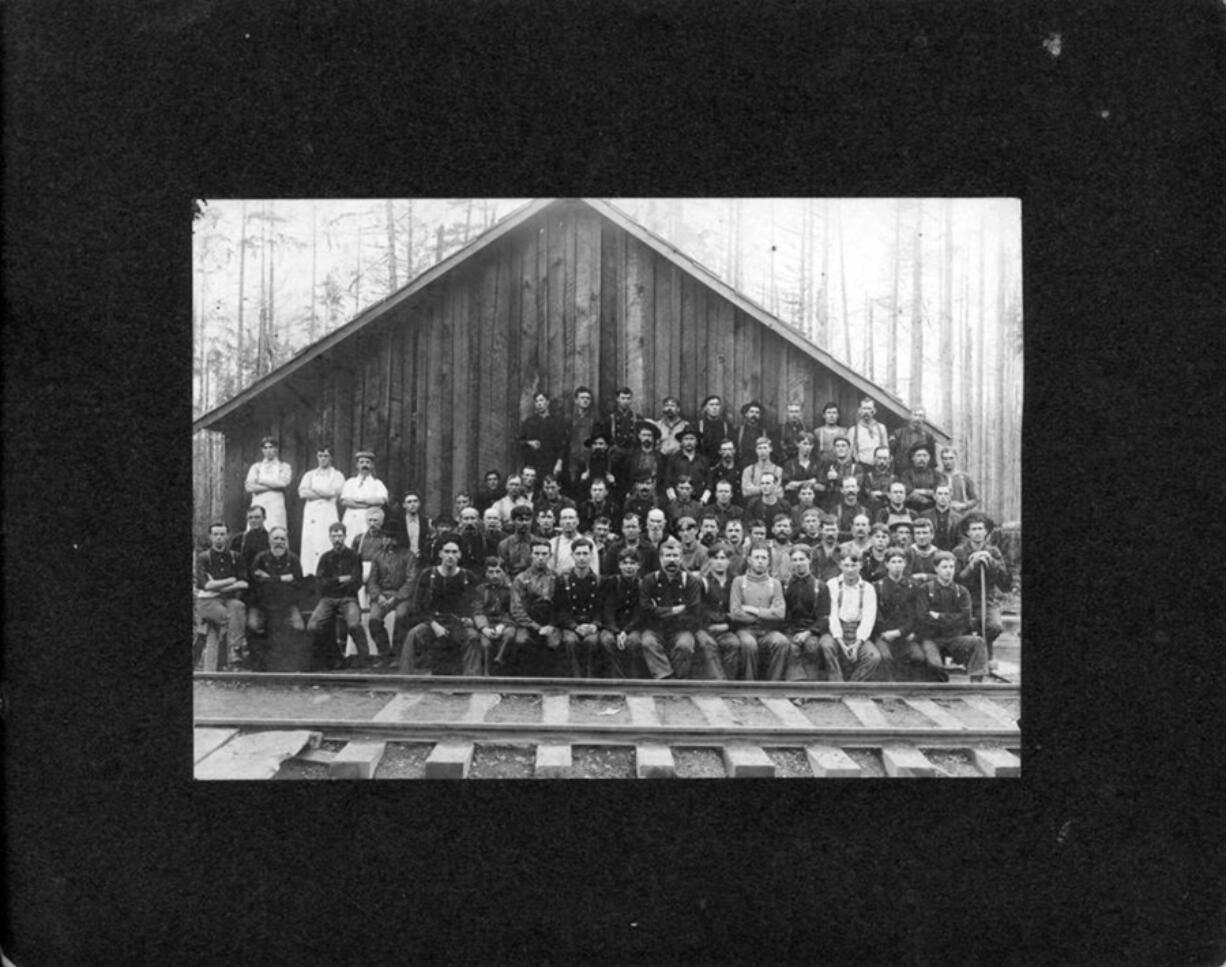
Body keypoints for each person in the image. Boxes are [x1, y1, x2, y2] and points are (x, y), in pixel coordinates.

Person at [403, 537, 484, 676]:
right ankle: (406, 679)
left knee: (473, 637)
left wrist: (471, 620)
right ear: (440, 554)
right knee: (413, 635)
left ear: (460, 554)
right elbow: (417, 606)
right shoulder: (427, 575)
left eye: (454, 552)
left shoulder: (468, 577)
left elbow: (476, 604)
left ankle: (471, 681)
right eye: (447, 551)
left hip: (459, 624)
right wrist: (434, 625)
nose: (450, 556)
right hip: (433, 622)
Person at [873, 546, 946, 682]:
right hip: (884, 635)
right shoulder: (878, 586)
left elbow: (916, 616)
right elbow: (876, 616)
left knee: (918, 657)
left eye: (900, 562)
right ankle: (889, 690)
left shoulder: (913, 587)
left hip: (904, 635)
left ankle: (910, 690)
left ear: (905, 564)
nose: (897, 566)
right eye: (893, 562)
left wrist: (901, 632)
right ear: (887, 564)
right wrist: (886, 633)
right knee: (885, 657)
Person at [914, 551, 989, 682]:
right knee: (934, 666)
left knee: (978, 642)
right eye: (944, 567)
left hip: (954, 638)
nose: (948, 571)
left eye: (951, 567)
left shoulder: (962, 592)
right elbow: (922, 618)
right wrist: (953, 618)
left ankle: (976, 684)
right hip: (932, 638)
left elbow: (965, 619)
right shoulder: (925, 589)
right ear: (936, 569)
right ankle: (942, 686)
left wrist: (938, 616)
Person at [307, 522, 370, 670]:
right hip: (328, 599)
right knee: (313, 626)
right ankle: (330, 657)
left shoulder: (354, 556)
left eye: (340, 535)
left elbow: (356, 582)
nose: (337, 539)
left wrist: (333, 582)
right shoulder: (325, 558)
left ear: (345, 536)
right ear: (329, 537)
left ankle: (364, 658)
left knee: (354, 624)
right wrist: (340, 579)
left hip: (348, 598)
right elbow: (320, 583)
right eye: (334, 536)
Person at [639, 538, 704, 679]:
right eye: (668, 556)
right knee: (648, 642)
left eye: (675, 556)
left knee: (684, 645)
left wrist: (659, 612)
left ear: (681, 559)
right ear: (661, 558)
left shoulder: (691, 581)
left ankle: (678, 682)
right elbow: (645, 610)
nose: (672, 560)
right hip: (655, 629)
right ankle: (666, 679)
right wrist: (673, 611)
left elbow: (694, 613)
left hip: (681, 629)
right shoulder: (650, 580)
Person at [953, 513, 1011, 659]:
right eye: (973, 529)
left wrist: (990, 561)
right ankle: (967, 656)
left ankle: (984, 650)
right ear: (967, 532)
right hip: (963, 602)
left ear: (986, 532)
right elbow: (956, 580)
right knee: (961, 627)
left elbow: (1004, 581)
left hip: (987, 601)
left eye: (980, 529)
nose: (977, 532)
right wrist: (971, 566)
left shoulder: (993, 551)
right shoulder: (958, 552)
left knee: (994, 627)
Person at [729, 542, 790, 680]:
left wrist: (753, 610)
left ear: (769, 561)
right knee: (749, 644)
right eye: (756, 557)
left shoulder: (775, 584)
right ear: (749, 560)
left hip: (767, 631)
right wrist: (766, 614)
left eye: (764, 558)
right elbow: (735, 613)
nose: (760, 561)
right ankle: (750, 687)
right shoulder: (739, 582)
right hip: (746, 630)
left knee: (781, 642)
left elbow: (780, 614)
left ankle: (772, 686)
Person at [247, 525, 305, 670]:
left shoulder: (293, 559)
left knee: (298, 627)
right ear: (269, 540)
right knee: (253, 626)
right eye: (275, 538)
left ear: (286, 541)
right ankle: (257, 664)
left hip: (286, 603)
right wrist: (284, 579)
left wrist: (271, 578)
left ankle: (291, 666)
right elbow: (255, 581)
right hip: (261, 603)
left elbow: (298, 582)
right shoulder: (260, 558)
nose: (279, 542)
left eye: (282, 539)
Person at [195, 522, 250, 669]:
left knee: (238, 607)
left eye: (222, 534)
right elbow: (204, 585)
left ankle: (235, 651)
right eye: (215, 534)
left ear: (227, 536)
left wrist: (217, 585)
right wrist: (231, 580)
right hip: (208, 601)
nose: (219, 538)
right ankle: (232, 656)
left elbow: (244, 583)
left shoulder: (235, 557)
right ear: (210, 536)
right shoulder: (203, 557)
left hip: (228, 599)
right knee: (230, 617)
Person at [821, 552, 883, 681]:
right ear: (840, 566)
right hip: (836, 631)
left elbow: (868, 619)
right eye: (846, 565)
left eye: (854, 565)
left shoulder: (868, 588)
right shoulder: (832, 584)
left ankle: (852, 686)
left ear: (861, 565)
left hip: (857, 632)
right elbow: (832, 616)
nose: (850, 570)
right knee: (826, 645)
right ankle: (837, 684)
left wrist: (857, 644)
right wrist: (841, 642)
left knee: (873, 656)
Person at [509, 538, 563, 676]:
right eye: (537, 553)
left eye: (544, 554)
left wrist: (551, 625)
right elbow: (516, 608)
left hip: (551, 624)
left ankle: (551, 685)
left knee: (555, 644)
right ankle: (525, 685)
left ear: (550, 556)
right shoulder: (521, 579)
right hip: (527, 623)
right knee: (522, 641)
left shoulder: (557, 578)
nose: (540, 558)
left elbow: (561, 606)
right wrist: (535, 627)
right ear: (531, 555)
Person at [554, 537, 606, 677]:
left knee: (592, 642)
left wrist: (595, 625)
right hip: (571, 624)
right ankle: (575, 682)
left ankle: (590, 683)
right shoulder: (563, 580)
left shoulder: (599, 581)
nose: (582, 558)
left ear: (591, 556)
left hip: (591, 625)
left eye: (585, 554)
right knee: (570, 641)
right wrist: (574, 626)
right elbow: (560, 609)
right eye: (578, 554)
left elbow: (601, 609)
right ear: (572, 556)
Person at [365, 525, 416, 666]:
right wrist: (378, 596)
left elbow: (411, 581)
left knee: (401, 616)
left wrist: (397, 597)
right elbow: (372, 580)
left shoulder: (408, 555)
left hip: (401, 595)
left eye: (392, 538)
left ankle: (397, 655)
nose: (388, 541)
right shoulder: (377, 556)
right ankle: (384, 653)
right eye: (386, 538)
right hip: (382, 594)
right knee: (374, 620)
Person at [782, 544, 833, 681]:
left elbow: (824, 618)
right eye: (795, 560)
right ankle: (796, 689)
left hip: (811, 631)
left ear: (809, 560)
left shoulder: (820, 587)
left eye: (802, 559)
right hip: (790, 630)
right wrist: (790, 632)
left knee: (812, 647)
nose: (798, 563)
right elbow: (783, 614)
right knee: (790, 648)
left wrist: (808, 633)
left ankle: (808, 689)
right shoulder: (785, 585)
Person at [695, 542, 743, 679]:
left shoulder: (735, 581)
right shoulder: (702, 582)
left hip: (726, 628)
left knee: (733, 644)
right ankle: (719, 685)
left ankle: (728, 685)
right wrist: (713, 623)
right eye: (716, 558)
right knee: (707, 644)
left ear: (729, 561)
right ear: (710, 560)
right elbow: (699, 609)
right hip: (705, 627)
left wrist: (727, 624)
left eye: (723, 558)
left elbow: (738, 608)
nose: (719, 562)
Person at [297, 446, 345, 577]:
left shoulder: (337, 475)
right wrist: (324, 492)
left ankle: (327, 573)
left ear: (331, 458)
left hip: (327, 512)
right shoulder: (310, 474)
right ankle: (309, 574)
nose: (322, 459)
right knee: (310, 542)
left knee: (325, 539)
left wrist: (314, 490)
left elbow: (334, 492)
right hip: (311, 514)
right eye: (320, 456)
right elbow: (302, 493)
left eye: (326, 456)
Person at [601, 548, 646, 678]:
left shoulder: (642, 585)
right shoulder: (612, 582)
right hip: (612, 627)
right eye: (625, 563)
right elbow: (607, 609)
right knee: (607, 641)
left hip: (633, 628)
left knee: (634, 642)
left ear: (638, 565)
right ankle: (614, 681)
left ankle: (633, 681)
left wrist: (626, 631)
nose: (628, 567)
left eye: (632, 563)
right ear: (619, 565)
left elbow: (640, 613)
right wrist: (616, 632)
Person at [244, 436, 293, 531]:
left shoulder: (284, 466)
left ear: (276, 449)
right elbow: (249, 487)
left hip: (275, 504)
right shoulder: (256, 467)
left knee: (276, 529)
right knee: (256, 528)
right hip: (259, 502)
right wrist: (273, 486)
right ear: (262, 450)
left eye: (271, 447)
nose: (268, 450)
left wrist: (261, 481)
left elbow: (283, 483)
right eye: (265, 448)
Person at [476, 557, 516, 673]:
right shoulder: (480, 590)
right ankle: (487, 675)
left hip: (506, 624)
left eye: (498, 572)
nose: (495, 576)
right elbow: (477, 610)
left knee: (509, 635)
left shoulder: (510, 590)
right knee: (485, 645)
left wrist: (502, 626)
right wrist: (484, 628)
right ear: (485, 573)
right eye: (491, 572)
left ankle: (500, 663)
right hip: (487, 624)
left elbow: (513, 611)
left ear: (504, 573)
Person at [339, 450, 388, 541]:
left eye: (367, 462)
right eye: (361, 462)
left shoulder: (377, 483)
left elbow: (381, 500)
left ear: (372, 465)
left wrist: (358, 500)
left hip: (369, 519)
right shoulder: (350, 482)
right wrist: (367, 504)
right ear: (357, 465)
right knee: (350, 541)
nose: (364, 465)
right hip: (351, 519)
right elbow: (345, 501)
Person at [519, 390, 567, 479]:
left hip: (551, 463)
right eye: (536, 401)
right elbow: (520, 440)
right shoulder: (529, 421)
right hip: (534, 463)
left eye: (541, 400)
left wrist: (559, 462)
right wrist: (529, 443)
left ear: (547, 402)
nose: (539, 404)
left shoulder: (557, 421)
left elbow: (563, 444)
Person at [604, 386, 642, 486]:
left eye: (628, 398)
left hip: (632, 455)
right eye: (623, 398)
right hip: (615, 456)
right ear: (617, 399)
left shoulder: (637, 418)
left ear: (631, 400)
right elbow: (606, 438)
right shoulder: (610, 418)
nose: (625, 401)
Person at [664, 426, 710, 503]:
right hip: (678, 500)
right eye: (686, 439)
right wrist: (673, 498)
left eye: (692, 439)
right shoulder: (674, 459)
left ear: (696, 442)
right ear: (681, 442)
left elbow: (709, 482)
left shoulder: (703, 460)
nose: (689, 442)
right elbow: (667, 481)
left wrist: (704, 500)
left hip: (698, 501)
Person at [565, 386, 598, 493]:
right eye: (582, 398)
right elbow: (565, 441)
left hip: (589, 459)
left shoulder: (594, 419)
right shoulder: (569, 419)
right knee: (573, 486)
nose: (585, 400)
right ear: (576, 400)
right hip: (572, 460)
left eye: (588, 398)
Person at [900, 443, 945, 515]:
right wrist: (928, 494)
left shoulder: (936, 474)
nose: (922, 458)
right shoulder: (907, 474)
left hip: (932, 510)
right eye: (918, 455)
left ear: (929, 457)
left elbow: (939, 491)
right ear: (913, 458)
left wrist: (917, 491)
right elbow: (908, 492)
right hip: (911, 509)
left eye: (924, 455)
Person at [848, 397, 889, 475]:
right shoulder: (853, 430)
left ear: (874, 411)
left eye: (869, 408)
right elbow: (850, 454)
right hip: (861, 468)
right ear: (859, 410)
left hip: (878, 468)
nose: (866, 412)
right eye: (864, 408)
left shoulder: (881, 428)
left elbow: (886, 450)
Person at [821, 437, 861, 512]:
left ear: (848, 448)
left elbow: (858, 483)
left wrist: (837, 477)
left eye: (843, 446)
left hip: (851, 503)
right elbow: (821, 482)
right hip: (832, 503)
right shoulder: (829, 465)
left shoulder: (856, 467)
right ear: (834, 449)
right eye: (837, 446)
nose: (840, 448)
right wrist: (827, 480)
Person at [891, 406, 936, 473]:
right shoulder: (898, 433)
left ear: (924, 419)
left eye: (920, 416)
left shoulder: (928, 436)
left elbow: (932, 459)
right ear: (910, 416)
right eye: (915, 415)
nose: (917, 418)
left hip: (920, 473)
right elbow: (892, 455)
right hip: (901, 472)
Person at [550, 507, 594, 575]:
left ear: (577, 521)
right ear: (560, 522)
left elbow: (594, 569)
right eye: (564, 518)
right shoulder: (553, 543)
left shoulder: (589, 542)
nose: (568, 522)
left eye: (571, 518)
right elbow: (549, 571)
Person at [921, 483, 963, 551]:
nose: (943, 497)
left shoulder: (958, 518)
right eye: (940, 494)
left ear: (950, 497)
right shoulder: (925, 515)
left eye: (946, 494)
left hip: (951, 554)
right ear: (934, 496)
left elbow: (961, 540)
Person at [781, 431, 822, 501]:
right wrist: (810, 482)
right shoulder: (789, 464)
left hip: (814, 501)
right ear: (798, 444)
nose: (807, 447)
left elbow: (821, 486)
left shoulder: (817, 464)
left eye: (810, 444)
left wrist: (797, 484)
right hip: (793, 500)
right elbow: (788, 486)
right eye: (805, 444)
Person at [939, 447, 981, 514]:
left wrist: (964, 505)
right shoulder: (937, 477)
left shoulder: (965, 477)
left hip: (960, 514)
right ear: (941, 460)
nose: (948, 461)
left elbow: (975, 499)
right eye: (945, 458)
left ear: (956, 458)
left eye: (951, 458)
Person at [577, 429, 618, 498]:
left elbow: (619, 486)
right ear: (591, 446)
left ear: (606, 446)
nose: (598, 446)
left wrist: (613, 482)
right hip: (588, 496)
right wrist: (582, 480)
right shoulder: (584, 463)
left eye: (601, 444)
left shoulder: (613, 463)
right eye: (595, 444)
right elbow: (577, 487)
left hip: (608, 496)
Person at [231, 505, 271, 576]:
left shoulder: (271, 538)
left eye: (257, 517)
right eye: (250, 518)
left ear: (264, 518)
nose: (253, 520)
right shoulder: (239, 539)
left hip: (265, 579)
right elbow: (233, 561)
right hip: (246, 579)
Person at [498, 505, 536, 576]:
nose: (524, 523)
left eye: (527, 520)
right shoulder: (504, 545)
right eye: (520, 520)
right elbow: (502, 570)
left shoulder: (538, 543)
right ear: (513, 521)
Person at [627, 420, 665, 491]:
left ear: (653, 437)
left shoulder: (660, 457)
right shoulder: (631, 456)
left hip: (655, 490)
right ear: (639, 436)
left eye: (649, 435)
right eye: (644, 435)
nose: (647, 438)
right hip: (635, 490)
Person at [695, 395, 735, 462]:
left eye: (717, 405)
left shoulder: (726, 426)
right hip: (703, 462)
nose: (714, 407)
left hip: (721, 463)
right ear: (705, 408)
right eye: (711, 405)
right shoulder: (698, 426)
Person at [832, 477, 871, 542]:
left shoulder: (866, 512)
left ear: (858, 488)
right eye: (847, 487)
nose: (850, 490)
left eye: (853, 486)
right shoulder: (835, 511)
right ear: (842, 490)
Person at [861, 446, 897, 517]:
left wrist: (881, 494)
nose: (882, 461)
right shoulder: (868, 477)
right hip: (872, 511)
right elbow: (867, 494)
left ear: (890, 459)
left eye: (885, 458)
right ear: (874, 459)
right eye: (879, 458)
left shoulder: (894, 478)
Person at [906, 517, 941, 584]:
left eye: (925, 533)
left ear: (932, 535)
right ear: (914, 536)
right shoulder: (907, 553)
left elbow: (944, 577)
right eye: (918, 533)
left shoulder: (939, 554)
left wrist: (926, 576)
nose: (921, 537)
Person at [735, 401, 769, 467]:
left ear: (760, 415)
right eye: (751, 412)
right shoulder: (738, 431)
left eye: (757, 413)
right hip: (742, 464)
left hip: (760, 465)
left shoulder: (765, 432)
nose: (754, 415)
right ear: (746, 414)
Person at [811, 517, 844, 582]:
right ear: (820, 530)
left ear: (838, 531)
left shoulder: (845, 551)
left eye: (833, 530)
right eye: (827, 530)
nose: (830, 533)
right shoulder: (813, 551)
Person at [767, 513, 797, 583]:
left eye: (785, 526)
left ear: (791, 530)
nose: (782, 529)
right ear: (773, 529)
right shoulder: (765, 548)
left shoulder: (795, 550)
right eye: (779, 526)